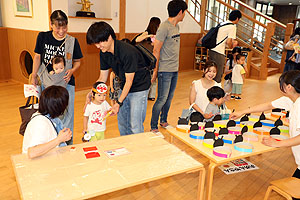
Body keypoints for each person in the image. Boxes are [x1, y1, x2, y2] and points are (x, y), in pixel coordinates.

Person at [230, 70, 300, 183]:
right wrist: (242, 111)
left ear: (289, 87)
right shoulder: (290, 100)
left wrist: (278, 143)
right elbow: (267, 105)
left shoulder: (298, 106)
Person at [86, 21, 151, 135]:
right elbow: (102, 77)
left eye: (100, 42)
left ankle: (138, 150)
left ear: (109, 37)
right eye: (96, 43)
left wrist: (118, 102)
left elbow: (130, 81)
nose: (98, 46)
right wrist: (93, 91)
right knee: (122, 123)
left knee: (135, 125)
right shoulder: (104, 52)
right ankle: (126, 148)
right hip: (124, 84)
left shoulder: (127, 52)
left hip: (139, 87)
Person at [30, 10, 83, 145]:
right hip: (46, 83)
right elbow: (37, 57)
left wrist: (72, 70)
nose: (61, 30)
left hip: (66, 83)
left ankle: (67, 144)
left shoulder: (72, 41)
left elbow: (78, 61)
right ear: (51, 25)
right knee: (47, 113)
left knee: (67, 115)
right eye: (58, 27)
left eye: (64, 27)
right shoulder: (43, 37)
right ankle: (50, 143)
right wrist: (33, 76)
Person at [150, 0, 187, 132]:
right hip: (164, 70)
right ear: (180, 12)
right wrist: (155, 71)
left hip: (174, 69)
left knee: (169, 98)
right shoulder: (164, 27)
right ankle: (153, 126)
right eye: (184, 12)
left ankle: (163, 120)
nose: (184, 15)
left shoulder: (176, 27)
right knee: (161, 99)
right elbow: (156, 50)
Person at [22, 86, 72, 159]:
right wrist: (59, 139)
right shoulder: (40, 123)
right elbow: (32, 153)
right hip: (37, 166)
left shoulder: (48, 117)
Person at [131, 17, 161, 101]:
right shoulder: (146, 32)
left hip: (153, 56)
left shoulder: (158, 34)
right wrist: (148, 36)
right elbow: (137, 39)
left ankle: (152, 95)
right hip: (145, 57)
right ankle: (146, 93)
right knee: (147, 76)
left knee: (154, 77)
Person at [209, 10, 242, 83]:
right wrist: (231, 46)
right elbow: (229, 41)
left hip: (211, 50)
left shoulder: (222, 23)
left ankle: (208, 90)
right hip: (219, 52)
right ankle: (215, 92)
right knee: (218, 74)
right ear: (237, 18)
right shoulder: (232, 26)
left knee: (210, 72)